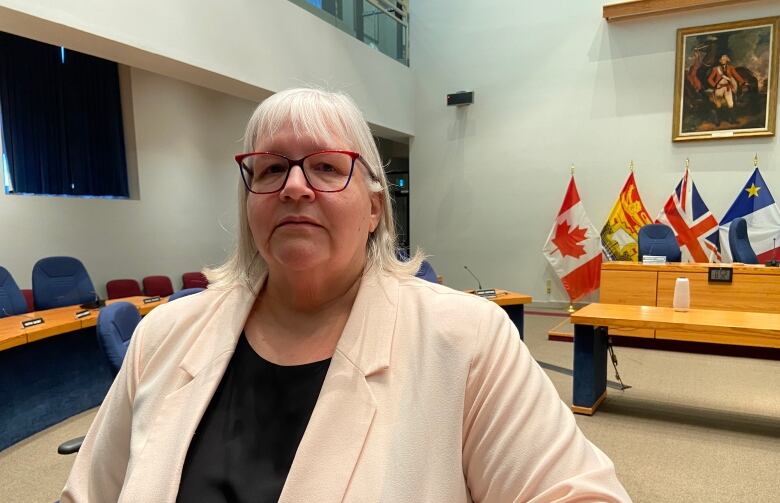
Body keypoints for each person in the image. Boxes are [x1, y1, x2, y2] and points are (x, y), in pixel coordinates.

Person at [61, 88, 630, 502]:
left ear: (375, 208)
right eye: (270, 169)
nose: (294, 187)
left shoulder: (468, 340)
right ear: (249, 199)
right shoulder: (163, 336)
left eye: (327, 167)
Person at [707, 54, 747, 125]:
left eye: (724, 59)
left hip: (728, 88)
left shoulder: (731, 68)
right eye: (722, 59)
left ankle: (733, 120)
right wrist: (715, 85)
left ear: (727, 60)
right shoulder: (716, 69)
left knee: (730, 103)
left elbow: (736, 75)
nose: (723, 61)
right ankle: (718, 121)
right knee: (718, 105)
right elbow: (709, 79)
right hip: (719, 88)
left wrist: (743, 82)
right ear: (720, 61)